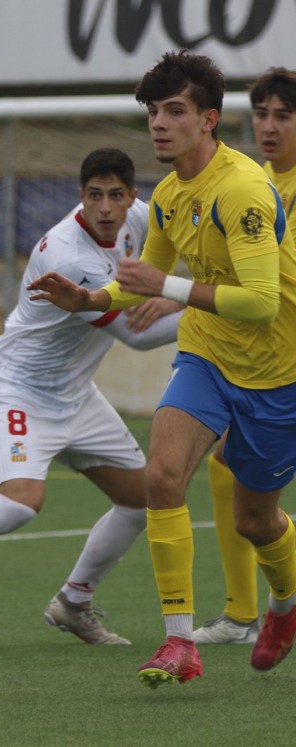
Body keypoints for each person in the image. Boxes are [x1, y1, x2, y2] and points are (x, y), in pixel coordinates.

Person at [28, 50, 296, 688]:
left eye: (174, 111)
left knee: (255, 521)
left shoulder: (242, 191)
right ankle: (179, 642)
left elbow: (261, 304)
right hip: (206, 355)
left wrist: (169, 287)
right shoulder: (172, 194)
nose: (158, 124)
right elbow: (139, 279)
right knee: (163, 475)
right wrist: (91, 299)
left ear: (208, 120)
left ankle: (285, 607)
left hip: (277, 371)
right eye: (152, 112)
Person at [0, 148, 182, 646]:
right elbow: (138, 336)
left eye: (115, 195)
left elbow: (191, 249)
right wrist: (216, 306)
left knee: (140, 502)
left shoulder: (143, 220)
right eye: (94, 195)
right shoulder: (69, 257)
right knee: (21, 504)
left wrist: (185, 289)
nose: (105, 207)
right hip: (20, 390)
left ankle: (74, 603)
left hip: (76, 393)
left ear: (132, 198)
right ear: (79, 197)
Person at [190, 66, 296, 647]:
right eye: (261, 113)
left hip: (285, 361)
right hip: (263, 355)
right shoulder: (251, 180)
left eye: (283, 114)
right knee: (226, 464)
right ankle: (240, 613)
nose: (269, 125)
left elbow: (272, 289)